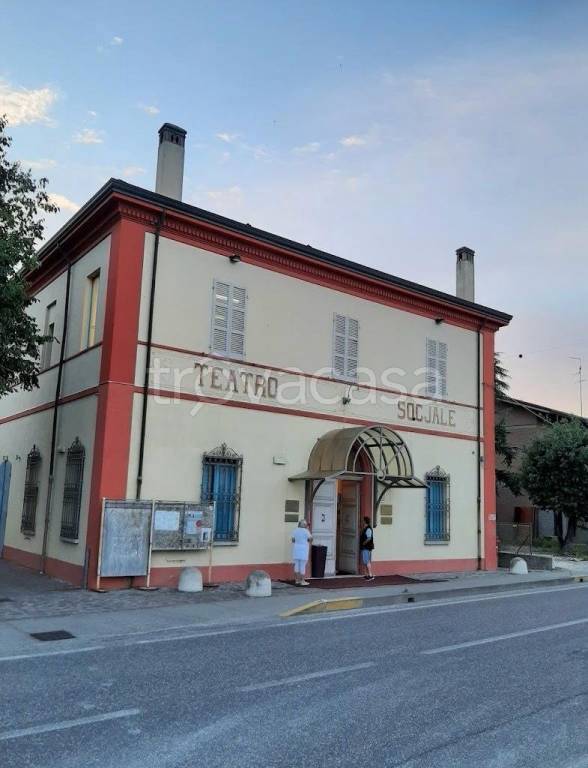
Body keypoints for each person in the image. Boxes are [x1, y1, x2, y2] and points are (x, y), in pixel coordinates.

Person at [291, 519, 312, 586]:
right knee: (302, 565)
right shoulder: (306, 531)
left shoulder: (295, 530)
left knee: (296, 564)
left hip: (296, 549)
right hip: (303, 549)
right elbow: (310, 539)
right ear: (304, 525)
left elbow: (293, 540)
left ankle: (297, 580)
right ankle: (302, 581)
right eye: (305, 524)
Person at [359, 516, 375, 580]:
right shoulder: (365, 528)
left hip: (366, 547)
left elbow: (369, 538)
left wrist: (364, 543)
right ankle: (367, 575)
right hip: (365, 547)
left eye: (362, 521)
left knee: (367, 561)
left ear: (365, 521)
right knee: (365, 561)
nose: (362, 522)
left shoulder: (368, 529)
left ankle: (370, 575)